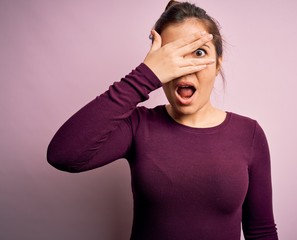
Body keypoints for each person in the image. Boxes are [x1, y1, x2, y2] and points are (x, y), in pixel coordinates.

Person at [47, 1, 278, 239]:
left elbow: (261, 231)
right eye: (172, 55)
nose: (184, 67)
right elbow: (63, 155)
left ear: (218, 64)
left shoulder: (248, 133)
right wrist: (144, 76)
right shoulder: (138, 125)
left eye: (199, 53)